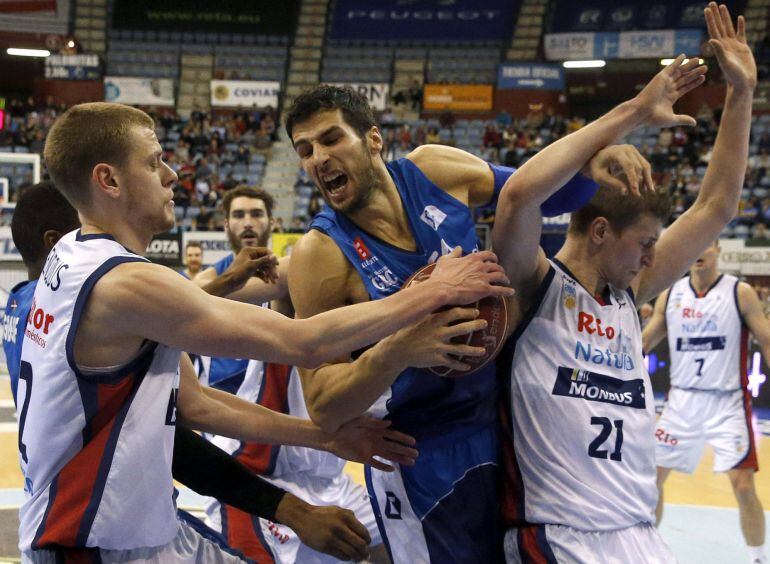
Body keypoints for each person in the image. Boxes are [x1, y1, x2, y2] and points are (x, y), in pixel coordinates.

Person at [17, 101, 511, 562]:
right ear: (109, 180)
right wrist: (431, 292)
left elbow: (196, 404)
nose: (172, 174)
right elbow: (305, 343)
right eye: (154, 163)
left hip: (134, 529)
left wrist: (324, 438)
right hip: (88, 541)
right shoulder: (124, 283)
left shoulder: (73, 256)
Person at [284, 83, 642, 561]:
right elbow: (324, 405)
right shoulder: (321, 254)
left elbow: (539, 195)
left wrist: (595, 163)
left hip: (506, 426)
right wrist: (398, 349)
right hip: (420, 455)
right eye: (305, 150)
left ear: (372, 139)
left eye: (330, 139)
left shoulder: (435, 170)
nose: (318, 158)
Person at [4, 181, 403, 562]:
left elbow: (193, 393)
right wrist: (422, 297)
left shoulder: (35, 304)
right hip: (93, 532)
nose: (169, 176)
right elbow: (300, 344)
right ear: (60, 244)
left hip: (134, 519)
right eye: (88, 224)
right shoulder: (88, 296)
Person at [492, 4, 754, 560]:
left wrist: (741, 93)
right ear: (601, 232)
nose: (652, 259)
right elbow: (517, 196)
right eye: (644, 244)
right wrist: (634, 112)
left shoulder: (627, 294)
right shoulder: (533, 284)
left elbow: (716, 206)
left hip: (638, 532)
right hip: (558, 535)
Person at [643, 241, 768, 564]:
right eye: (693, 245)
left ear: (717, 249)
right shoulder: (672, 295)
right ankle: (645, 553)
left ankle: (757, 557)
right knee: (651, 482)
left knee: (742, 485)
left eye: (706, 246)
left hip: (727, 402)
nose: (699, 251)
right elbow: (644, 341)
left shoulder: (739, 292)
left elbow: (766, 340)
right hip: (681, 400)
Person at [192, 186, 289, 392]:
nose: (247, 223)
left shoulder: (288, 278)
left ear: (271, 222)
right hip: (215, 402)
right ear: (226, 224)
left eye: (256, 214)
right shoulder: (205, 280)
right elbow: (185, 302)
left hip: (271, 402)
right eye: (238, 215)